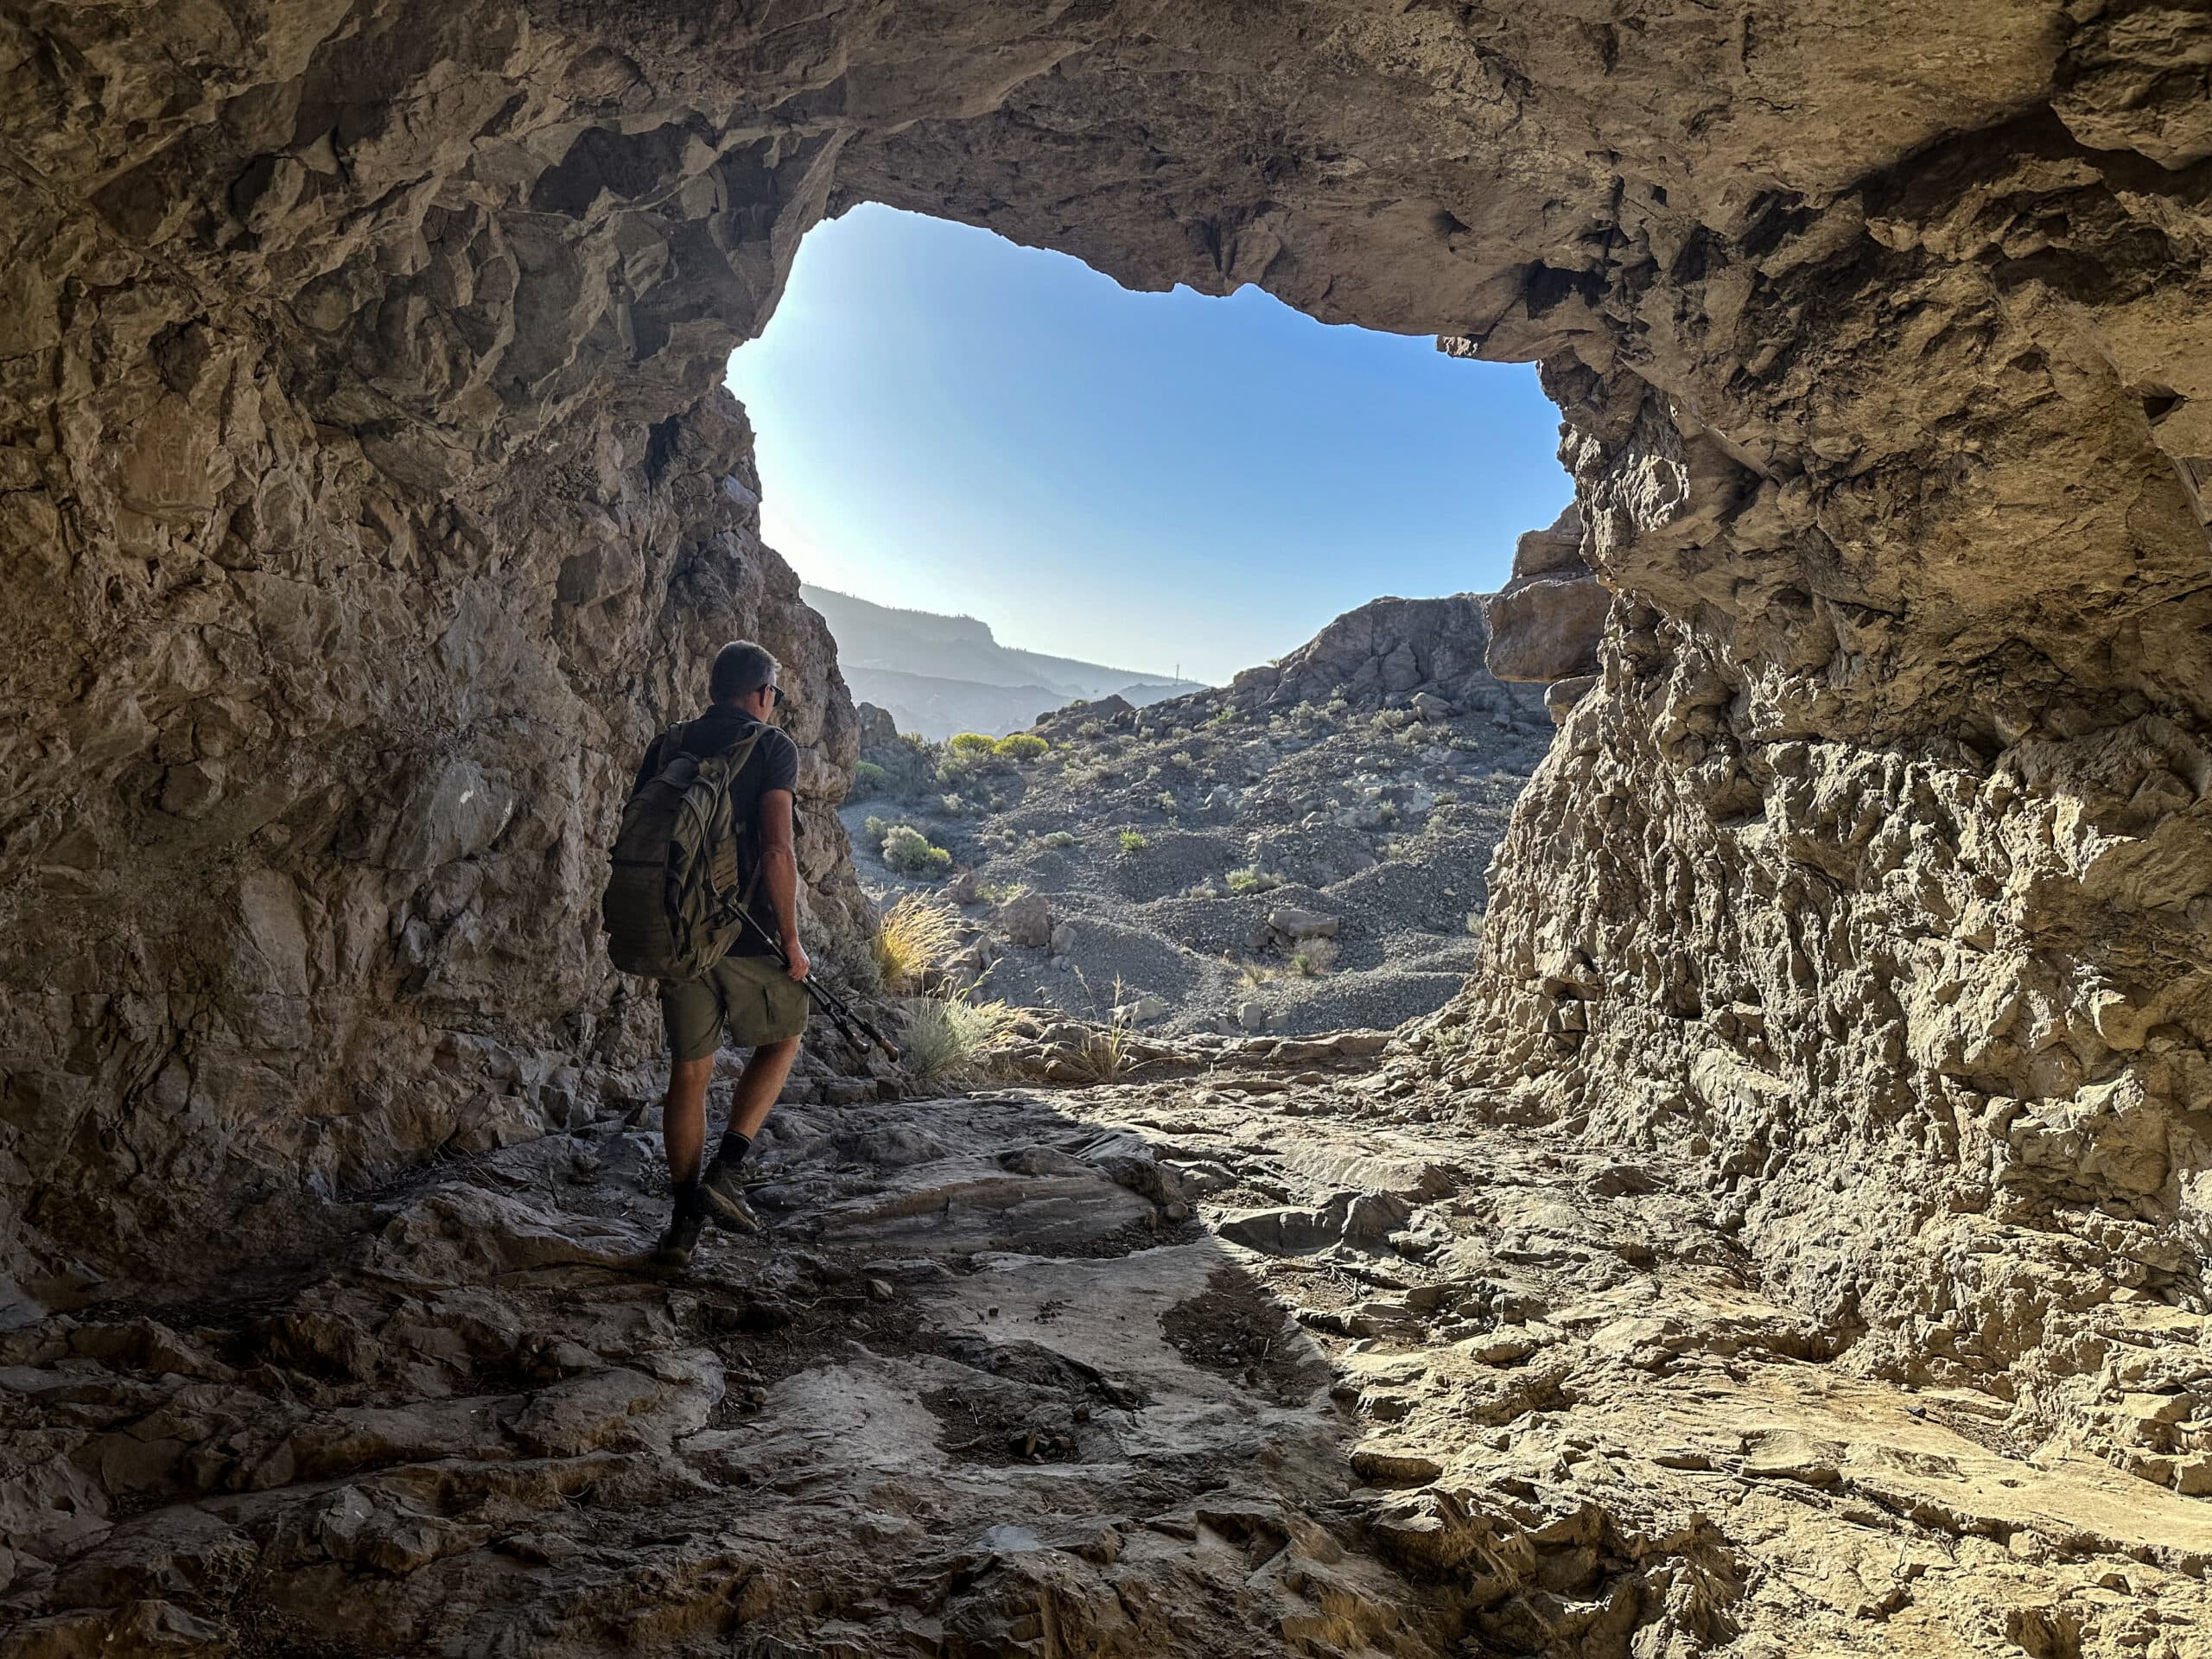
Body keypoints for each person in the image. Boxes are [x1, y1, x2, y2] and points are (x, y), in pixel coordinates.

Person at [635, 639, 810, 1269]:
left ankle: (682, 1226)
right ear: (762, 693)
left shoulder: (669, 744)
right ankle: (727, 1172)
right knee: (785, 1035)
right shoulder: (772, 747)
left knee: (689, 1074)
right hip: (749, 934)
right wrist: (791, 941)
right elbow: (776, 851)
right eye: (775, 695)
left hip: (678, 933)